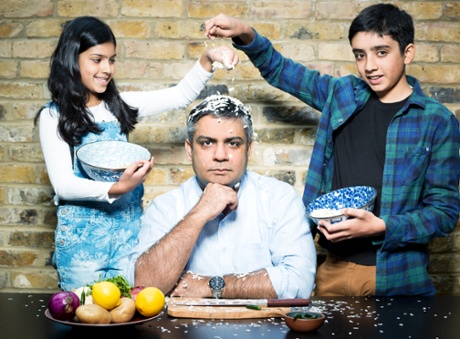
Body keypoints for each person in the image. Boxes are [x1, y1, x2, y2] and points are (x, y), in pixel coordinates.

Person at [203, 4, 460, 296]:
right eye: (360, 55)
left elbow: (444, 213)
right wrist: (246, 33)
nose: (370, 66)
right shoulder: (342, 94)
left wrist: (382, 227)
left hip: (397, 278)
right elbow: (281, 70)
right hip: (332, 270)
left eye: (382, 52)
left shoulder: (437, 121)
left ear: (407, 52)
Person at [34, 16, 239, 291]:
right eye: (97, 59)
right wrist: (117, 188)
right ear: (72, 59)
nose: (107, 68)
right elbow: (63, 184)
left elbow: (178, 96)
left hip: (127, 239)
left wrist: (207, 59)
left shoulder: (121, 104)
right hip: (81, 247)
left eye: (112, 60)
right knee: (87, 317)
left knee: (129, 314)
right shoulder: (53, 116)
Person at [125, 95, 316, 299]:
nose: (220, 155)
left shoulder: (279, 198)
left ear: (249, 149)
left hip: (267, 328)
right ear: (189, 150)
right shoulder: (165, 207)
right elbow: (142, 287)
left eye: (233, 143)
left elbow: (300, 282)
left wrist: (210, 286)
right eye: (207, 143)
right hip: (186, 330)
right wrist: (200, 212)